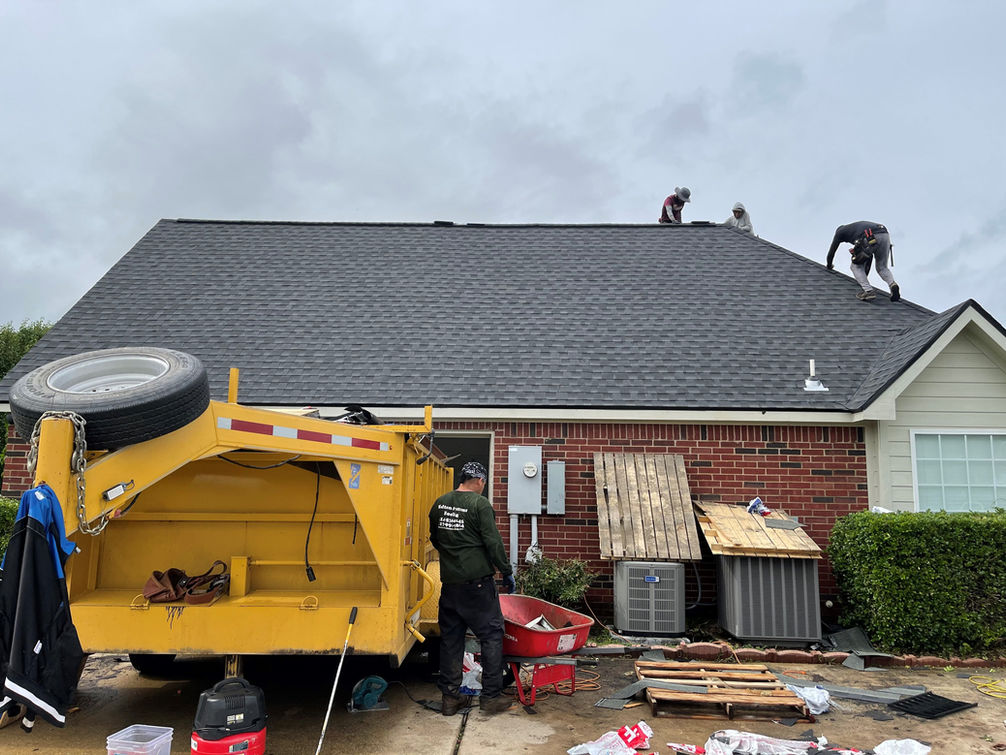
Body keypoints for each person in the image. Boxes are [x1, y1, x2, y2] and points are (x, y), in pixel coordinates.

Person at [429, 460, 516, 716]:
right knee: (491, 635)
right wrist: (507, 571)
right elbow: (493, 542)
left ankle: (450, 699)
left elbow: (435, 537)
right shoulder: (480, 504)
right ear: (479, 481)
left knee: (451, 640)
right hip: (477, 585)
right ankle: (490, 697)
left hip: (450, 584)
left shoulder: (440, 502)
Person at [826, 221, 900, 302]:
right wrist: (865, 275)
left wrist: (829, 265)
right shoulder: (854, 228)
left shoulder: (839, 233)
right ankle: (892, 284)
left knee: (855, 267)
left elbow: (831, 253)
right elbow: (868, 257)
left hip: (869, 236)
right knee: (882, 267)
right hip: (884, 234)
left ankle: (868, 291)